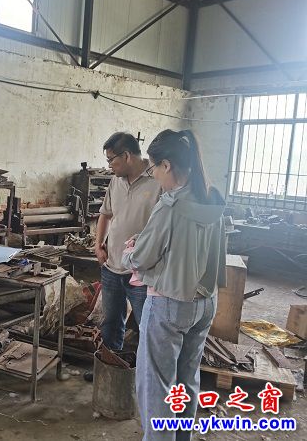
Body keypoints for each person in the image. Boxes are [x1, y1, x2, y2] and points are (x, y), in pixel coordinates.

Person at [122, 129, 226, 441]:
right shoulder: (211, 196)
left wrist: (129, 251)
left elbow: (141, 258)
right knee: (186, 380)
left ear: (166, 165)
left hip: (169, 303)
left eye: (154, 168)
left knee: (157, 386)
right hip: (205, 302)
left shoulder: (169, 206)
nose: (154, 176)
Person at [85, 132, 161, 382]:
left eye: (111, 160)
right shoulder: (115, 181)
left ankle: (144, 378)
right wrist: (98, 245)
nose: (109, 166)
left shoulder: (158, 179)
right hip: (112, 266)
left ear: (127, 156)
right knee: (110, 323)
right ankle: (110, 370)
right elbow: (105, 214)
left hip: (141, 272)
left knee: (145, 326)